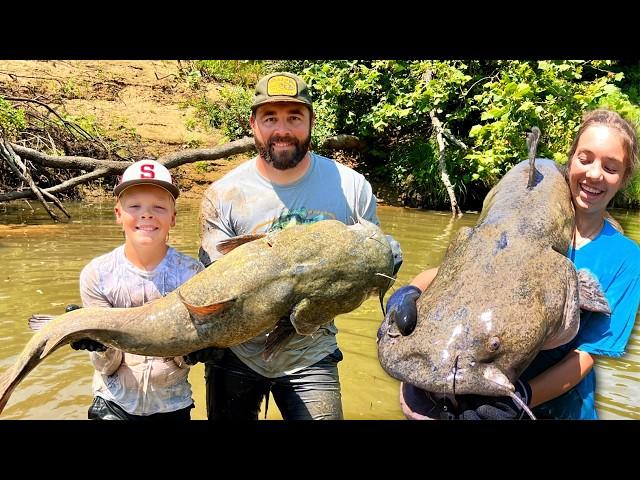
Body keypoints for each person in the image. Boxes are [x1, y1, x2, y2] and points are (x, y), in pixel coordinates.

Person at [386, 108, 640, 420]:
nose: (594, 174)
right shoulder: (514, 226)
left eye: (610, 167)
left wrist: (524, 396)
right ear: (571, 160)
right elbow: (446, 276)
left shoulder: (625, 259)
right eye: (585, 158)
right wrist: (409, 292)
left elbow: (587, 355)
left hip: (560, 409)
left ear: (624, 178)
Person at [185, 71, 402, 420]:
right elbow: (211, 286)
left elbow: (368, 270)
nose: (282, 129)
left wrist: (388, 267)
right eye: (270, 118)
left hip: (312, 353)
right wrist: (199, 342)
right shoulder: (223, 195)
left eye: (294, 117)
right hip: (237, 353)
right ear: (253, 124)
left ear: (311, 122)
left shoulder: (352, 188)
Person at [71, 159, 204, 420]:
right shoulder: (97, 274)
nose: (146, 214)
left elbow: (182, 361)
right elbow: (107, 367)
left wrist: (194, 350)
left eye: (158, 207)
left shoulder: (192, 274)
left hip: (172, 404)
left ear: (173, 217)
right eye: (134, 206)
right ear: (118, 214)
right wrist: (98, 345)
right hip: (113, 404)